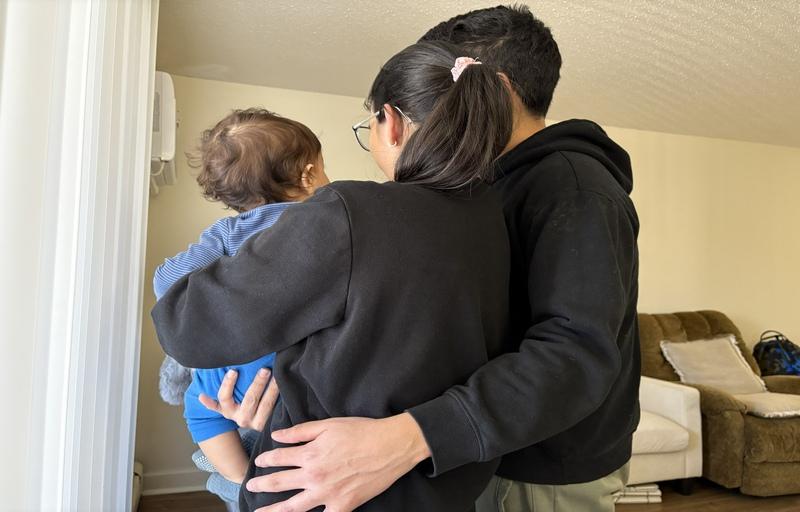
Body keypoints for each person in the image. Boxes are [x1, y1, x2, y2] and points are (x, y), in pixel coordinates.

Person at [226, 6, 641, 512]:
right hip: (463, 458)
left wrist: (409, 438)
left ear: (493, 88)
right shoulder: (470, 194)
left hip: (534, 469)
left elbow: (574, 356)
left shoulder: (573, 189)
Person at [152, 41, 515, 511]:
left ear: (392, 122)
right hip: (441, 480)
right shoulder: (493, 221)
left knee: (203, 408)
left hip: (315, 478)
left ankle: (233, 481)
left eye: (369, 125)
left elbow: (184, 322)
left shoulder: (346, 213)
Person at [152, 108, 329, 496]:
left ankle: (240, 481)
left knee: (201, 407)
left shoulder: (227, 233)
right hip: (306, 362)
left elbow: (166, 281)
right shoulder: (326, 219)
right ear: (308, 175)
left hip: (242, 365)